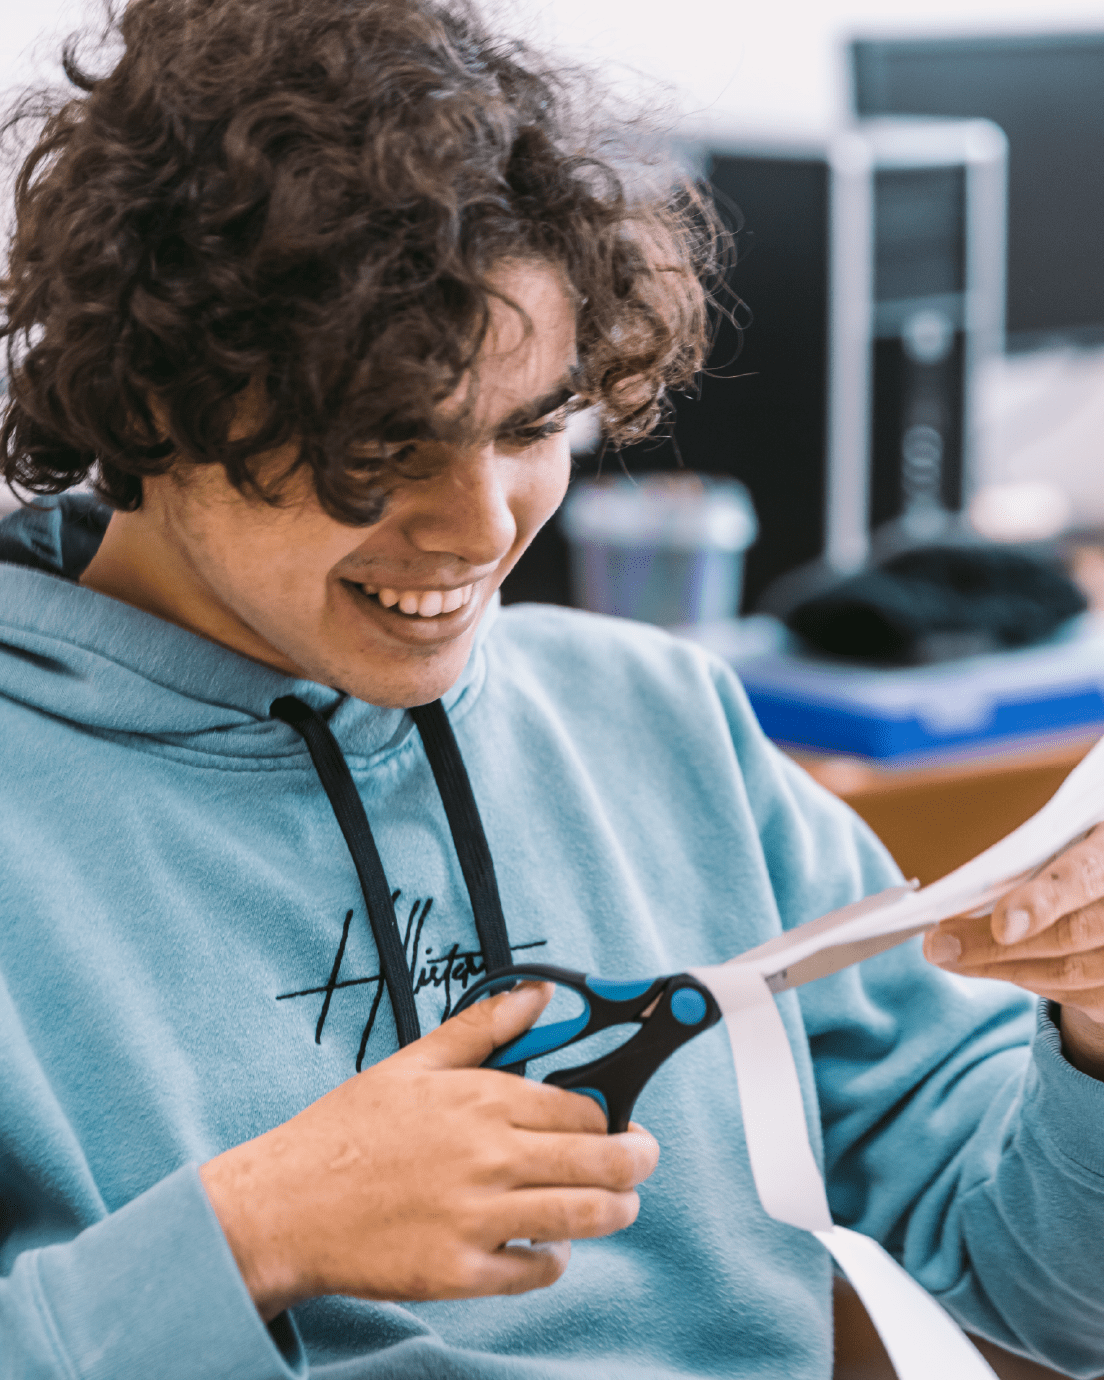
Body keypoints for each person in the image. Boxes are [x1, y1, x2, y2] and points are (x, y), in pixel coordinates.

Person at [2, 1, 1104, 1377]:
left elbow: (1048, 1294)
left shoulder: (665, 725)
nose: (480, 530)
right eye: (384, 448)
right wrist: (250, 1234)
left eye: (532, 426)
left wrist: (1095, 1044)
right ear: (152, 399)